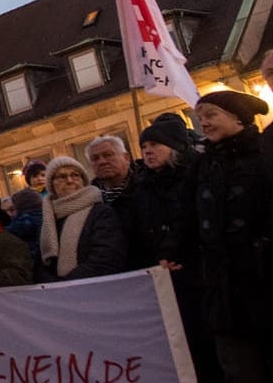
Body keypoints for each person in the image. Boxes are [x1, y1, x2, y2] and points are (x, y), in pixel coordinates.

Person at [182, 89, 273, 383]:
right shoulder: (202, 166)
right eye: (200, 116)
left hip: (262, 279)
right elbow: (187, 217)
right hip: (221, 287)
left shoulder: (262, 157)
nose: (204, 121)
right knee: (240, 377)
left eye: (212, 113)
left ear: (238, 118)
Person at [123, 115, 197, 271]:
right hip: (159, 269)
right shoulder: (140, 186)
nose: (147, 151)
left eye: (154, 144)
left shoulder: (193, 177)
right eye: (143, 147)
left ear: (173, 147)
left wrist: (172, 253)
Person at [36, 159, 127, 280]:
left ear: (84, 181)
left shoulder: (100, 212)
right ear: (52, 184)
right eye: (62, 177)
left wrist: (67, 283)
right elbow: (41, 261)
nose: (69, 180)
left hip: (94, 287)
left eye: (75, 175)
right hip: (57, 293)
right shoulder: (48, 217)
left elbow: (106, 256)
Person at [87, 135, 135, 206]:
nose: (102, 162)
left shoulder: (149, 186)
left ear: (126, 158)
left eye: (108, 155)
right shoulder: (88, 200)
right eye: (95, 159)